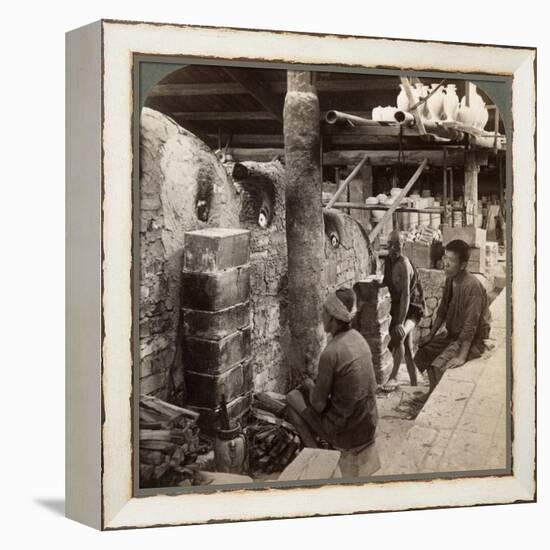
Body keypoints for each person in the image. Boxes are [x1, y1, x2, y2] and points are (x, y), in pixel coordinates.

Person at [285, 288, 378, 451]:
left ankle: (317, 452)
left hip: (349, 434)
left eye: (324, 312)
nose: (322, 316)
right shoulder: (359, 339)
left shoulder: (331, 352)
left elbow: (319, 405)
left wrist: (308, 385)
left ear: (333, 318)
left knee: (292, 399)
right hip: (369, 425)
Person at [415, 239, 492, 392]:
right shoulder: (451, 279)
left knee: (439, 365)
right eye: (445, 258)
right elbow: (443, 309)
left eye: (451, 260)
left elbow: (471, 325)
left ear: (463, 265)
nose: (446, 264)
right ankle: (432, 392)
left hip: (473, 340)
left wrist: (462, 356)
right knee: (423, 353)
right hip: (453, 335)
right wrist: (430, 335)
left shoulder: (472, 287)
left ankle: (438, 399)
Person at [381, 230, 426, 392]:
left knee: (399, 334)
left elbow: (407, 295)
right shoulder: (388, 261)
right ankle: (415, 387)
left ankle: (393, 377)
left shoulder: (404, 264)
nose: (393, 249)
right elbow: (385, 284)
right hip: (399, 307)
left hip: (413, 308)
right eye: (390, 245)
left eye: (397, 245)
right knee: (407, 351)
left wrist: (400, 322)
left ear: (403, 246)